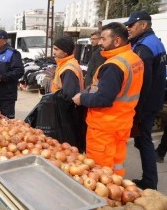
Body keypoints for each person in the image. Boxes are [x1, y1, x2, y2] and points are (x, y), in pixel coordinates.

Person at [72, 22, 144, 177]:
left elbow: (104, 98)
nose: (100, 43)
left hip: (104, 127)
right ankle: (116, 191)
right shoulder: (134, 58)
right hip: (122, 122)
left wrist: (82, 98)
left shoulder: (114, 65)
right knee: (116, 162)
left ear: (117, 41)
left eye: (103, 39)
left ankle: (103, 199)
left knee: (99, 171)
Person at [124, 10, 167, 189]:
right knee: (143, 141)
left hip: (146, 103)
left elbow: (143, 82)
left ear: (143, 25)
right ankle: (149, 180)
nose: (128, 29)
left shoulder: (144, 48)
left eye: (131, 25)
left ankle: (150, 182)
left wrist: (137, 110)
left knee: (144, 141)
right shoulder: (154, 42)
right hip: (155, 100)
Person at [0, 30, 24, 119]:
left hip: (7, 95)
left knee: (7, 123)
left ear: (4, 40)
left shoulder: (13, 53)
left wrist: (2, 77)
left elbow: (19, 71)